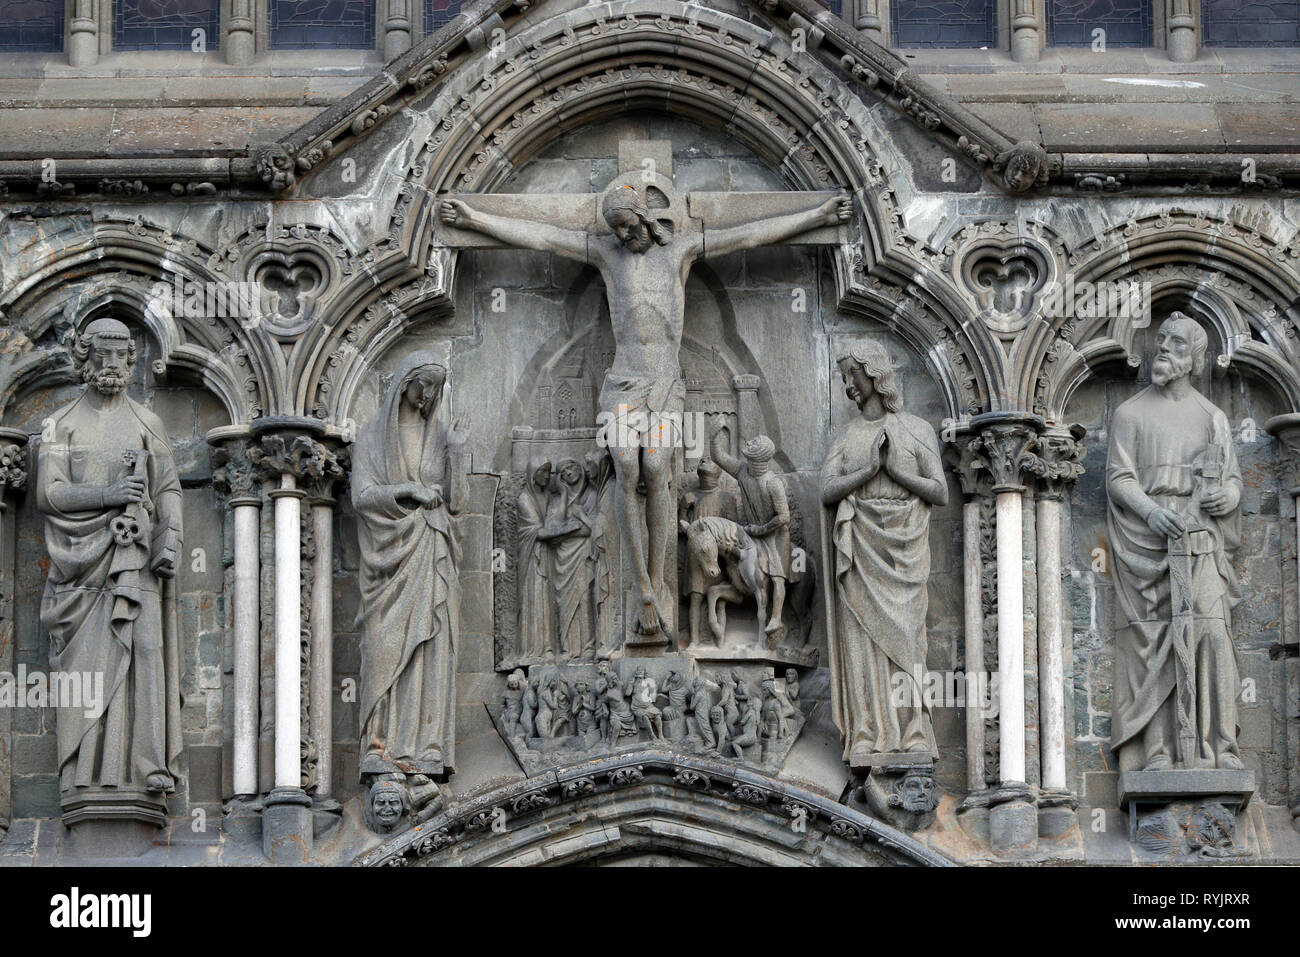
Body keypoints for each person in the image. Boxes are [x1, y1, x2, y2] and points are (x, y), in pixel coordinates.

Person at [442, 185, 851, 637]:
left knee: (655, 467)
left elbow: (749, 233)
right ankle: (644, 586)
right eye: (615, 229)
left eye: (628, 225)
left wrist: (817, 213)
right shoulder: (606, 255)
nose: (623, 235)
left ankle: (657, 577)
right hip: (622, 386)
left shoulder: (681, 251)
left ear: (645, 217)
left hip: (663, 387)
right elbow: (542, 236)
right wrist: (475, 219)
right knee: (624, 466)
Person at [37, 317, 183, 796]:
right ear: (85, 358)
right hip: (79, 567)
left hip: (135, 556)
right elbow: (50, 493)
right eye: (101, 354)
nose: (111, 364)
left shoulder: (148, 423)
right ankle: (83, 774)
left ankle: (147, 765)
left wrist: (172, 537)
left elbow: (167, 488)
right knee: (88, 669)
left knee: (144, 650)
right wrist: (110, 492)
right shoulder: (61, 425)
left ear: (132, 358)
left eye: (120, 355)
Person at [1107, 312, 1245, 773]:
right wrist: (1150, 511)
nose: (1163, 349)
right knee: (1150, 641)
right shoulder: (1130, 414)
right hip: (1148, 539)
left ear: (1195, 360)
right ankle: (1157, 752)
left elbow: (1231, 479)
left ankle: (1219, 747)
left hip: (1201, 537)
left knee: (1210, 633)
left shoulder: (1212, 417)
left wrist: (1229, 495)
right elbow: (1118, 477)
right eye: (1160, 340)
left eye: (1177, 345)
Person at [821, 341, 947, 766]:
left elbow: (940, 491)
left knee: (909, 641)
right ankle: (868, 731)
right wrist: (866, 472)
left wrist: (896, 472)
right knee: (862, 640)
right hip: (860, 547)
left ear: (873, 373)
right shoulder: (849, 437)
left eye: (851, 376)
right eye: (842, 378)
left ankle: (913, 732)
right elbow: (826, 489)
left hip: (904, 549)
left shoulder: (915, 429)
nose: (847, 386)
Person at [353, 353, 468, 775]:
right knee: (384, 646)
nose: (431, 395)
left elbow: (459, 505)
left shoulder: (440, 437)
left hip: (434, 550)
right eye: (425, 384)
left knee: (432, 644)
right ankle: (378, 745)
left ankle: (429, 745)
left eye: (438, 387)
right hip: (387, 564)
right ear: (405, 383)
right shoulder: (370, 438)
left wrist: (457, 454)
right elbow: (361, 497)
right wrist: (409, 491)